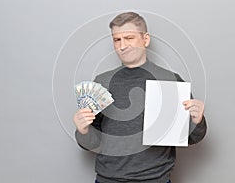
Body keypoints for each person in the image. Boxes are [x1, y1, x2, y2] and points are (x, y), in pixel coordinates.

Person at [73, 12, 207, 183]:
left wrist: (198, 120)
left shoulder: (170, 80)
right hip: (108, 179)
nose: (122, 46)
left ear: (145, 39)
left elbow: (191, 137)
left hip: (155, 179)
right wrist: (83, 130)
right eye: (117, 40)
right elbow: (93, 143)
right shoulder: (102, 82)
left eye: (129, 38)